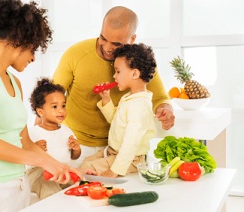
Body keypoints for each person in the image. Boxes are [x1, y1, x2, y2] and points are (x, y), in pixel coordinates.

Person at [0, 1, 82, 211]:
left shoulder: (15, 82)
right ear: (18, 39)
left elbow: (25, 142)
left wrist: (59, 165)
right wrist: (43, 162)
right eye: (32, 48)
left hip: (18, 185)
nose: (33, 57)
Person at [51, 6, 175, 167]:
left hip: (115, 147)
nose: (107, 47)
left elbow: (160, 99)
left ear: (132, 39)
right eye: (103, 38)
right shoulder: (75, 54)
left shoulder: (140, 63)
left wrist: (166, 110)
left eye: (116, 43)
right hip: (73, 142)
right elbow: (50, 97)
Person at [79, 43, 157, 177]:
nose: (114, 76)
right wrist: (106, 100)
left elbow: (130, 143)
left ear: (134, 73)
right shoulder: (130, 98)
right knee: (85, 162)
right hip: (113, 152)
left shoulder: (139, 105)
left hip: (130, 159)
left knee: (86, 168)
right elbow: (116, 120)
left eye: (118, 71)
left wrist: (114, 171)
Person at [26, 78, 81, 200]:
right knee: (49, 185)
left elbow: (74, 156)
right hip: (39, 173)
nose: (61, 110)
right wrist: (35, 149)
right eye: (55, 106)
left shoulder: (66, 130)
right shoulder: (34, 131)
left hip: (62, 170)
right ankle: (55, 205)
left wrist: (76, 149)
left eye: (63, 105)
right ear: (40, 111)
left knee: (76, 184)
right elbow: (25, 158)